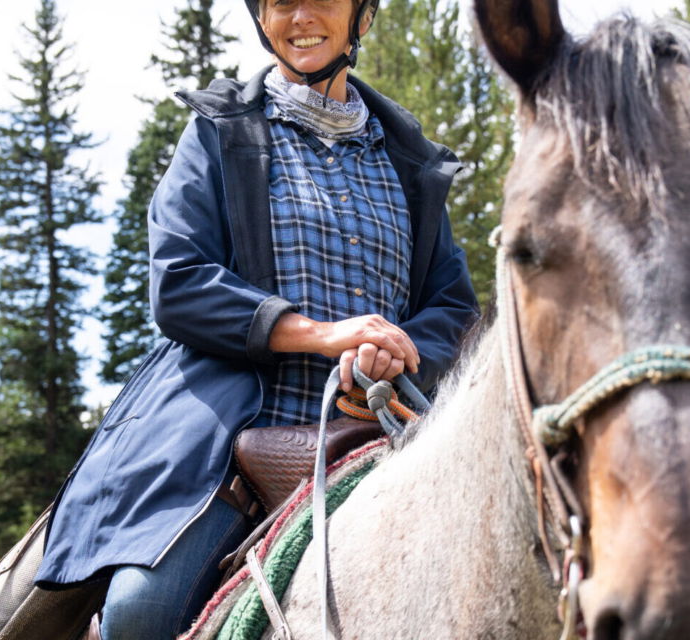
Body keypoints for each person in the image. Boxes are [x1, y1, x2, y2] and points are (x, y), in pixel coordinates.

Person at [34, 0, 478, 637]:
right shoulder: (220, 132)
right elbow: (180, 280)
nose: (300, 17)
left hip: (383, 440)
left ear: (364, 16)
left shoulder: (411, 162)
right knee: (141, 611)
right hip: (230, 445)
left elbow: (455, 308)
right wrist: (324, 336)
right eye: (279, 2)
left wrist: (401, 346)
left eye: (320, 0)